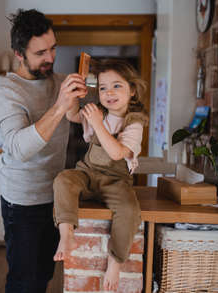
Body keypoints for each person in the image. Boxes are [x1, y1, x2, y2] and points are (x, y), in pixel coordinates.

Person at [0, 9, 87, 293]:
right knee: (25, 281)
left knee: (44, 274)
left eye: (53, 48)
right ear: (19, 54)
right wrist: (59, 106)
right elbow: (18, 149)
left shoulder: (59, 81)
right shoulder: (9, 91)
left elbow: (76, 119)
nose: (50, 58)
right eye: (40, 53)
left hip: (55, 198)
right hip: (22, 202)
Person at [53, 60, 148, 291]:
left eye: (117, 86)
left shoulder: (135, 122)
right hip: (87, 173)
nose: (109, 93)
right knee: (63, 179)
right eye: (103, 88)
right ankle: (66, 234)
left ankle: (115, 262)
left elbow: (116, 153)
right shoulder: (98, 111)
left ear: (132, 90)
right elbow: (72, 115)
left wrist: (97, 123)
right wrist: (75, 93)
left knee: (129, 210)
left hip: (116, 181)